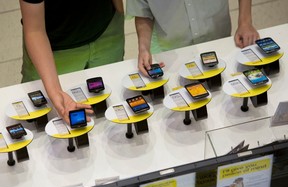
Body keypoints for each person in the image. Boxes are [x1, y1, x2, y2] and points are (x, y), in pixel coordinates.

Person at [19, 0, 125, 124]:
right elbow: (34, 30)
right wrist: (55, 91)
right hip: (53, 50)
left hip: (108, 31)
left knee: (113, 110)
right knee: (45, 121)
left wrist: (119, 10)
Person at [126, 0, 260, 76]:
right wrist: (143, 48)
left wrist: (245, 22)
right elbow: (142, 12)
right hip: (174, 51)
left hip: (218, 40)